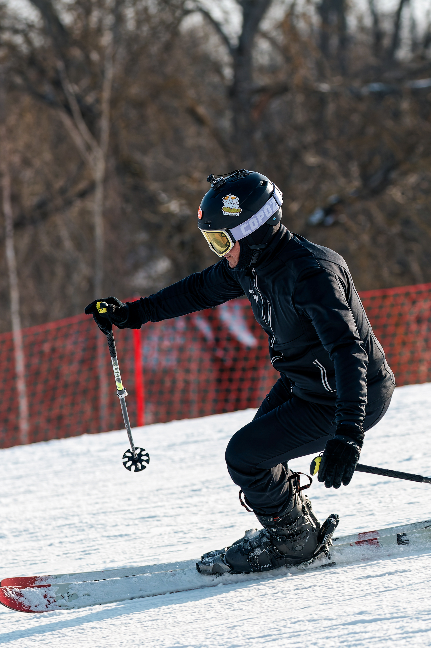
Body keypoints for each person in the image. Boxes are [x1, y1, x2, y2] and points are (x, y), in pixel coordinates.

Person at [87, 170, 395, 575]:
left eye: (220, 240)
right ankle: (296, 527)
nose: (219, 251)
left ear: (252, 231)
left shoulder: (311, 274)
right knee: (259, 455)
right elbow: (196, 290)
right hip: (306, 384)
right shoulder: (251, 264)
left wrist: (348, 434)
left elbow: (348, 350)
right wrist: (132, 314)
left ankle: (295, 542)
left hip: (347, 394)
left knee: (245, 456)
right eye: (211, 241)